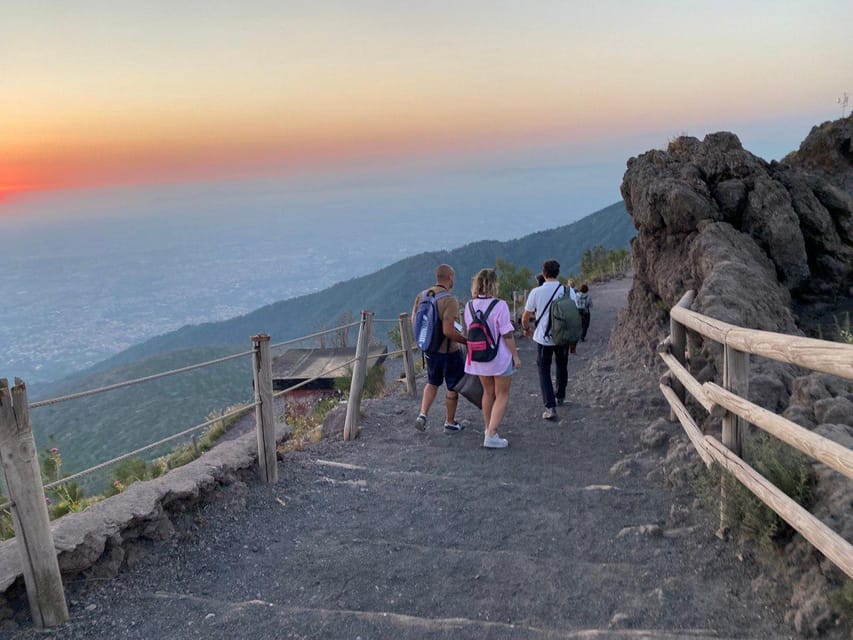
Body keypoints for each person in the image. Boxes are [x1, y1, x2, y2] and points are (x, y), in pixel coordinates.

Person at [464, 268, 521, 449]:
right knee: (502, 394)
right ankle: (492, 434)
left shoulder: (469, 306)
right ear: (494, 284)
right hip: (499, 358)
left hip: (478, 357)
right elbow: (507, 334)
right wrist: (515, 356)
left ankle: (488, 428)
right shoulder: (500, 305)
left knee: (488, 393)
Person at [411, 264, 468, 433]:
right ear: (450, 277)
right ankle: (450, 422)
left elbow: (414, 321)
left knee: (432, 382)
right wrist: (466, 341)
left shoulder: (422, 296)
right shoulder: (449, 300)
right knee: (452, 386)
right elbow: (448, 331)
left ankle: (422, 415)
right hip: (448, 352)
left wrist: (425, 341)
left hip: (429, 349)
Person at [521, 259, 569, 421]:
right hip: (562, 337)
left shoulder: (536, 292)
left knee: (544, 371)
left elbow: (525, 316)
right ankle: (560, 395)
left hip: (543, 338)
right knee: (562, 366)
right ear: (558, 273)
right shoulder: (567, 291)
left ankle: (550, 406)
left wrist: (527, 329)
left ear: (544, 273)